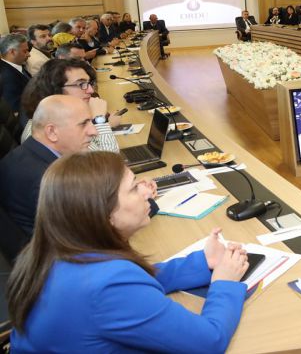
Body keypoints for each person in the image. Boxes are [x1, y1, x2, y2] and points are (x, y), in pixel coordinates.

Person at [7, 151, 249, 352]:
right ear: (105, 214)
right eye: (134, 188)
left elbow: (135, 281)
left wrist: (202, 262)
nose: (147, 193)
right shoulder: (109, 284)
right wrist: (224, 282)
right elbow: (209, 342)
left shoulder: (53, 251)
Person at [0, 95, 97, 236]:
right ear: (51, 132)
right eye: (83, 124)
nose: (94, 131)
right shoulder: (47, 182)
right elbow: (86, 235)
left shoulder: (30, 152)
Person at [21, 58, 121, 152]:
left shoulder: (61, 116)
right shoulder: (51, 130)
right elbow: (109, 161)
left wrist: (103, 124)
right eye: (81, 84)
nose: (91, 90)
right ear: (55, 88)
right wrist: (100, 120)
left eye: (89, 83)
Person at [0, 33, 32, 112]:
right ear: (12, 52)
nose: (29, 55)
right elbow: (15, 108)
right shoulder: (7, 76)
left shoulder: (16, 66)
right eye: (25, 51)